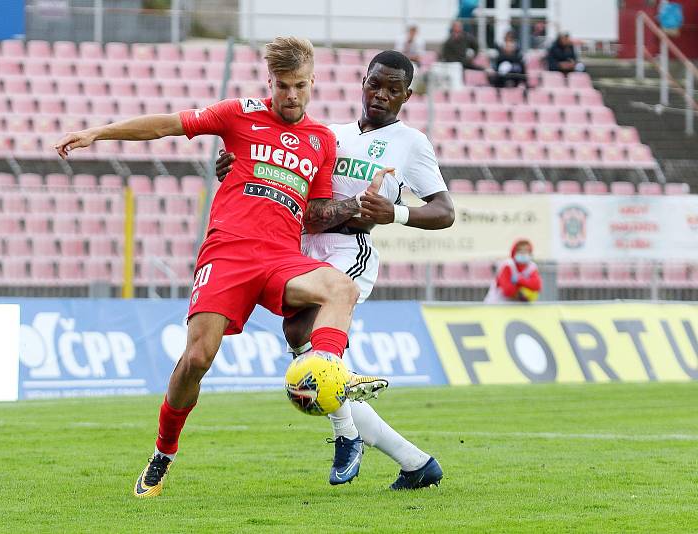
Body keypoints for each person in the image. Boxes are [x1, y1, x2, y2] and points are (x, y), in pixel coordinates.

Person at [54, 36, 385, 497]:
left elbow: (316, 212)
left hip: (282, 256)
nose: (291, 95)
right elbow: (168, 126)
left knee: (340, 289)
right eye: (283, 86)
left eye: (300, 86)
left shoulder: (322, 141)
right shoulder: (238, 113)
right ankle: (163, 453)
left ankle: (329, 373)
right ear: (270, 81)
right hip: (228, 253)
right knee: (196, 359)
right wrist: (99, 133)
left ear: (314, 82)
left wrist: (361, 206)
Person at [217, 50, 455, 490]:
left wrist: (395, 212)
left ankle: (347, 435)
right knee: (301, 346)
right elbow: (284, 167)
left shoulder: (411, 143)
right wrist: (234, 166)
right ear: (362, 82)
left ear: (407, 95)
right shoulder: (331, 134)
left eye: (392, 89)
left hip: (350, 249)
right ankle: (416, 463)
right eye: (374, 84)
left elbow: (444, 212)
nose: (380, 94)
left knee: (308, 348)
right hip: (302, 245)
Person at [484, 239, 542, 303]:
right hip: (498, 303)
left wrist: (519, 280)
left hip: (519, 305)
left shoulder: (532, 266)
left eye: (526, 251)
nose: (523, 254)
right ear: (514, 252)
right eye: (520, 251)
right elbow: (508, 291)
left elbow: (537, 286)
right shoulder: (508, 265)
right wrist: (526, 286)